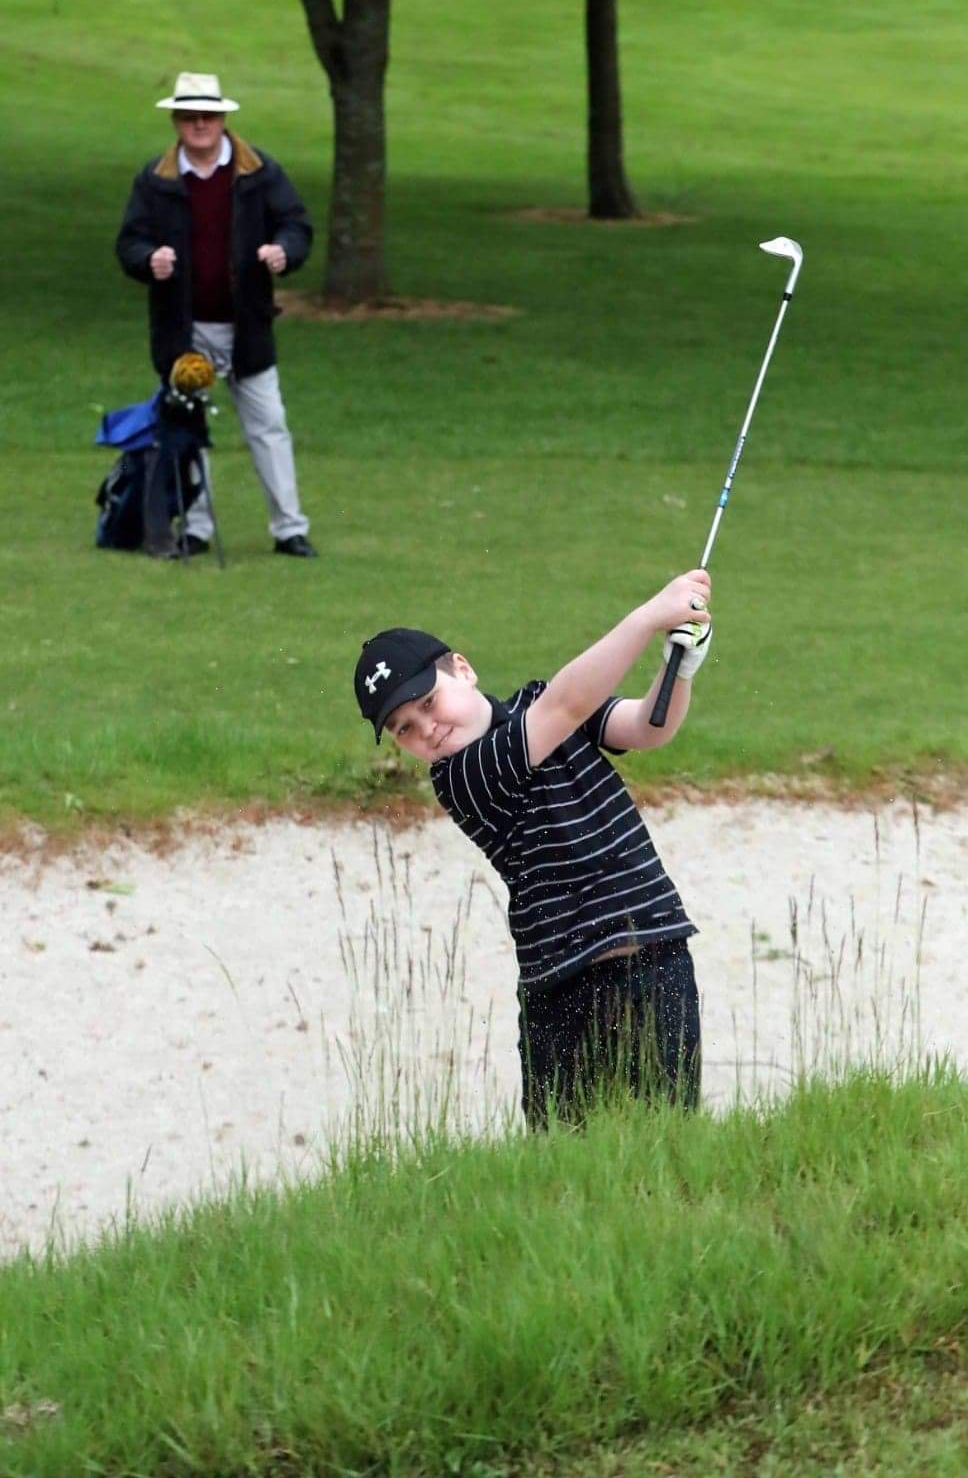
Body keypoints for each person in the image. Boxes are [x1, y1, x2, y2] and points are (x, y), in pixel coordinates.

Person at [353, 570, 714, 1129]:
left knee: (670, 1140)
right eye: (403, 729)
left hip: (657, 960)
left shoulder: (539, 701)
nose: (424, 728)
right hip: (563, 989)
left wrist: (679, 666)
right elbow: (567, 708)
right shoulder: (463, 777)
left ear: (463, 670)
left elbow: (647, 727)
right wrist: (650, 616)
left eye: (427, 701)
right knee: (566, 1159)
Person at [116, 71, 317, 558]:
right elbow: (129, 242)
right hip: (184, 331)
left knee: (268, 425)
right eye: (189, 116)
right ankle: (198, 528)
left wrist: (283, 252)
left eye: (208, 114)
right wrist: (150, 260)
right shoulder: (156, 179)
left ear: (223, 118)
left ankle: (289, 528)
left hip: (247, 325)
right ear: (177, 121)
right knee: (188, 433)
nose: (200, 123)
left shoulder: (259, 173)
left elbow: (297, 224)